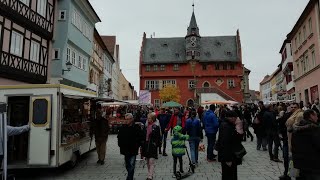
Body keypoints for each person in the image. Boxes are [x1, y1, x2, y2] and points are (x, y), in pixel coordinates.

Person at [292, 109, 320, 180]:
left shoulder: (295, 130)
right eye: (316, 115)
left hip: (298, 163)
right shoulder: (314, 129)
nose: (317, 117)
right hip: (312, 164)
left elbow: (293, 146)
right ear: (311, 116)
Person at [216, 110, 243, 180]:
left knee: (230, 175)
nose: (237, 119)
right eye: (235, 118)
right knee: (229, 176)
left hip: (230, 155)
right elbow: (225, 143)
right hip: (228, 156)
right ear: (231, 118)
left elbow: (237, 139)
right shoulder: (226, 127)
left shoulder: (228, 125)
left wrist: (238, 127)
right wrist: (228, 159)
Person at [117, 113, 144, 180]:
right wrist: (120, 145)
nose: (127, 121)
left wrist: (138, 145)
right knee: (127, 164)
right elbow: (119, 137)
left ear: (132, 119)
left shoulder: (136, 127)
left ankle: (130, 178)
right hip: (125, 149)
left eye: (128, 119)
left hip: (133, 149)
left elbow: (140, 137)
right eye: (126, 119)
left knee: (132, 164)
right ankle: (130, 175)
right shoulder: (123, 127)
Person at [142, 112, 161, 180]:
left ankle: (150, 176)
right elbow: (143, 136)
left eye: (149, 118)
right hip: (146, 145)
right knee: (147, 161)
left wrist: (157, 145)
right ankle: (149, 173)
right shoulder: (145, 126)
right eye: (147, 118)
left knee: (151, 161)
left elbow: (158, 137)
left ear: (152, 119)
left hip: (152, 145)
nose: (147, 119)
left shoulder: (156, 127)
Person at [278, 105, 293, 180]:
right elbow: (281, 125)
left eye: (294, 107)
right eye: (291, 107)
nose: (292, 108)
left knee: (292, 159)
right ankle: (287, 174)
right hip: (286, 139)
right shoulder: (286, 115)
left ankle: (292, 174)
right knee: (286, 158)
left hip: (293, 141)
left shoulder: (299, 116)